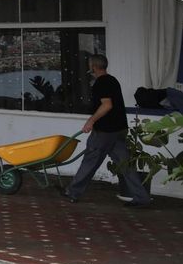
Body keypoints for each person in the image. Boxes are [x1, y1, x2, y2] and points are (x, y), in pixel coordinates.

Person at [62, 54, 152, 207]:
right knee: (125, 164)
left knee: (90, 161)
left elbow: (107, 105)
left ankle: (73, 192)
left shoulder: (101, 83)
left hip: (105, 131)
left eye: (89, 65)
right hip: (119, 129)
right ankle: (142, 197)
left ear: (94, 67)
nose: (89, 68)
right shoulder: (112, 80)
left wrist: (91, 121)